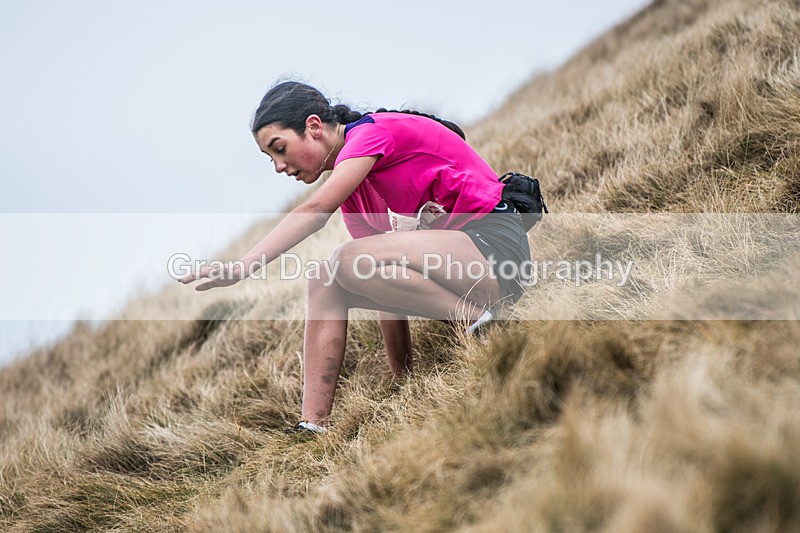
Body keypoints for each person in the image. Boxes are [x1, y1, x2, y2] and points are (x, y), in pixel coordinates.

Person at [179, 81, 531, 433]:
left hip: (495, 254)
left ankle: (482, 323)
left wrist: (242, 267)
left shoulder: (371, 133)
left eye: (279, 148)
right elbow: (383, 288)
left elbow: (317, 210)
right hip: (465, 273)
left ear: (314, 127)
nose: (278, 166)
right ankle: (313, 425)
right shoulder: (356, 195)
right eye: (270, 157)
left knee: (345, 258)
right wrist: (403, 381)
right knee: (326, 276)